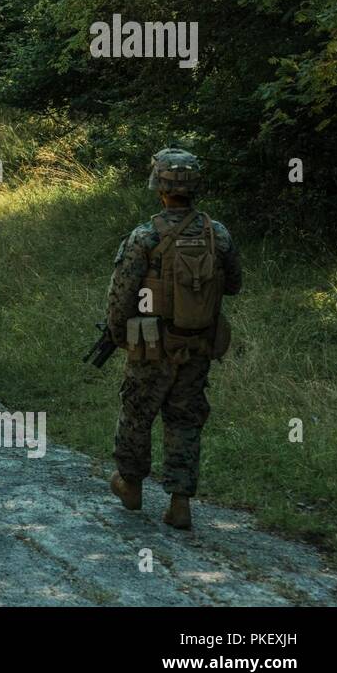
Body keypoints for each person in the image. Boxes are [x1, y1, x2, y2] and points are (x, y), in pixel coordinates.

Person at [105, 147, 242, 530]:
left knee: (136, 412)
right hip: (196, 345)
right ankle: (180, 503)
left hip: (150, 344)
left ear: (159, 189)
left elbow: (121, 297)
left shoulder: (144, 236)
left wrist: (120, 337)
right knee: (185, 419)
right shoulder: (218, 235)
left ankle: (130, 485)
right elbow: (234, 284)